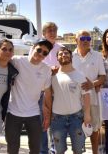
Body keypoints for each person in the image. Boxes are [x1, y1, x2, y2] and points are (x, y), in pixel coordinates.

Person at [0, 38, 53, 154]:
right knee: (12, 148)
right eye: (39, 50)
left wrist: (48, 115)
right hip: (13, 113)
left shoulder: (46, 69)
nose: (41, 54)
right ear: (32, 48)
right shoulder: (16, 61)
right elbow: (0, 59)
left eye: (45, 53)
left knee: (35, 149)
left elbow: (47, 92)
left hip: (34, 114)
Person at [48, 47, 91, 154]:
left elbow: (86, 96)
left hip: (76, 117)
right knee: (59, 150)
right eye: (60, 54)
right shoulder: (52, 76)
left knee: (78, 150)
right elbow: (48, 94)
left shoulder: (80, 75)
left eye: (66, 53)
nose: (63, 55)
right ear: (57, 58)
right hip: (57, 119)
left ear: (71, 56)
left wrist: (87, 115)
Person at [72, 30, 106, 154]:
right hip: (74, 100)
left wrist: (92, 84)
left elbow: (102, 77)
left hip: (93, 98)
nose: (86, 40)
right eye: (82, 38)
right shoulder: (70, 56)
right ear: (76, 40)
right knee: (77, 130)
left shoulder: (97, 56)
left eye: (88, 38)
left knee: (95, 129)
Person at [39, 22, 64, 154]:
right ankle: (43, 151)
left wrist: (59, 69)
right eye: (49, 30)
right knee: (43, 123)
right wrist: (50, 70)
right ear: (44, 33)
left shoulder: (62, 48)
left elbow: (68, 68)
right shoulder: (37, 48)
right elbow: (35, 66)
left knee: (56, 123)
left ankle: (55, 150)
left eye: (54, 30)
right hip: (42, 91)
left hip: (58, 91)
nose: (52, 32)